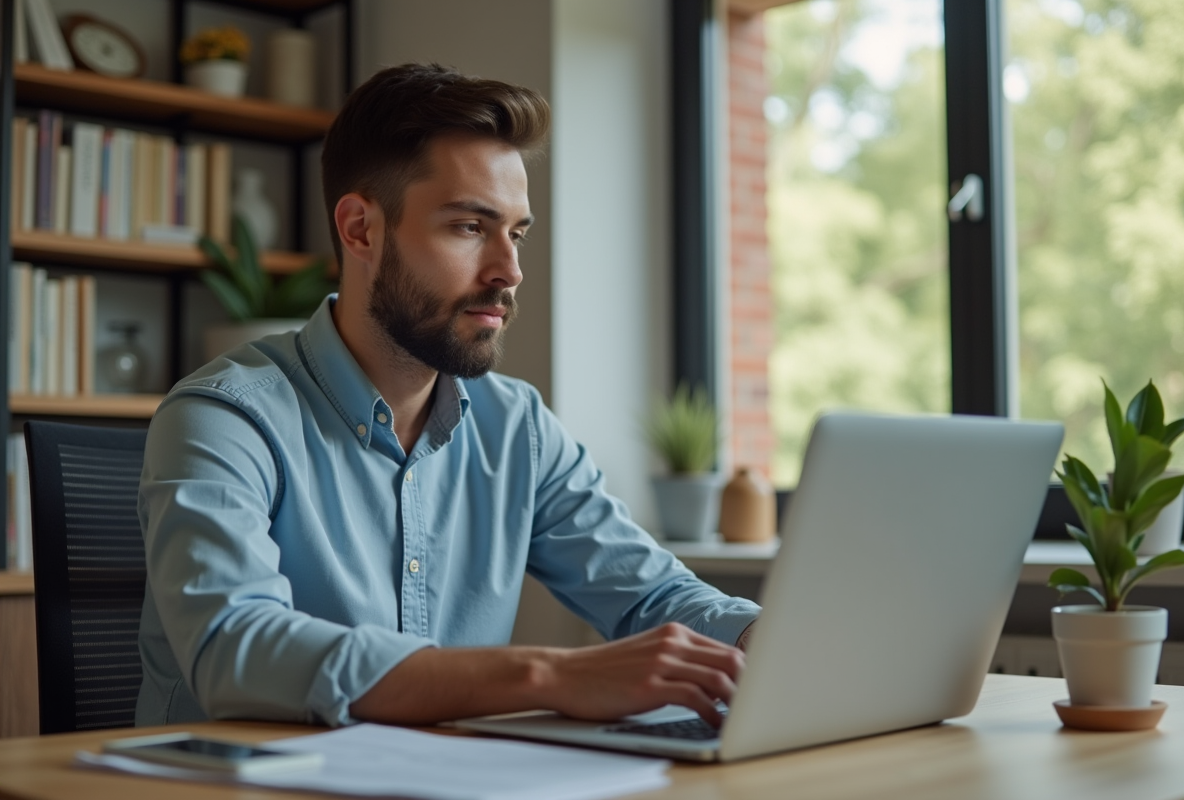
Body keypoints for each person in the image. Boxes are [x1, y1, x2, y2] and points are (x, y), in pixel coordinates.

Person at [136, 63, 759, 730]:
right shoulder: (224, 417)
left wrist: (776, 647)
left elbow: (655, 596)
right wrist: (548, 676)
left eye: (516, 233)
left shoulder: (517, 427)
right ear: (361, 229)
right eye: (469, 227)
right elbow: (238, 651)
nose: (509, 271)